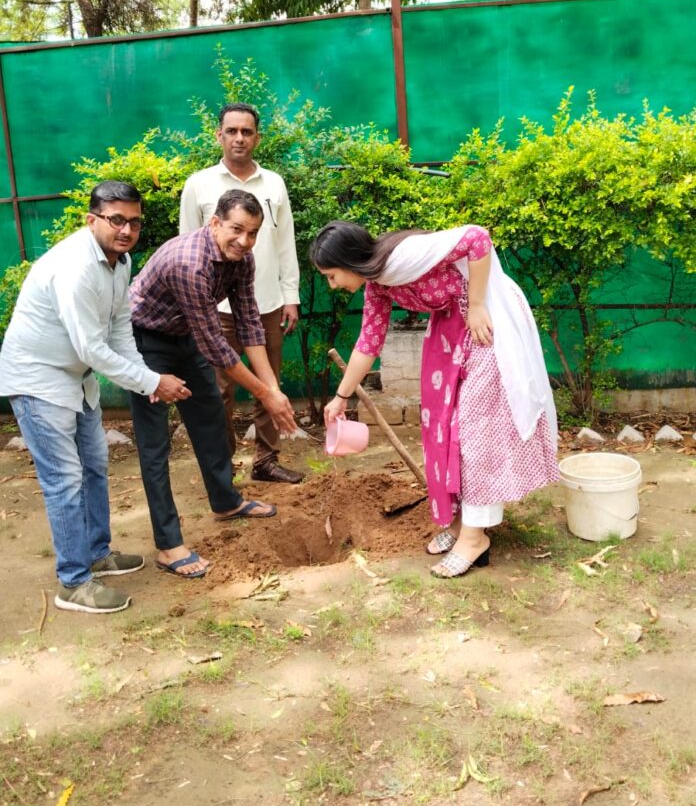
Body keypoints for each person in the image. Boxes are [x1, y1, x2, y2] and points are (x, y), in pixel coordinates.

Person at [310, 221, 559, 579]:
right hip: (450, 332)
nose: (332, 285)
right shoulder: (378, 286)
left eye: (331, 276)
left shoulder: (403, 256)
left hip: (486, 323)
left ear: (349, 261)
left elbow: (478, 238)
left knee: (476, 431)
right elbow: (368, 343)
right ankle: (461, 524)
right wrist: (341, 397)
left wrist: (475, 305)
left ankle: (475, 538)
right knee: (443, 427)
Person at [0, 182, 190, 614]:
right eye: (116, 219)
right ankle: (73, 582)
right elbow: (90, 347)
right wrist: (152, 382)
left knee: (95, 465)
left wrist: (146, 375)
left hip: (76, 378)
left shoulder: (119, 262)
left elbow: (120, 327)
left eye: (134, 221)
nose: (126, 229)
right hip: (38, 378)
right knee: (65, 481)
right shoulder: (75, 267)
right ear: (92, 220)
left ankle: (97, 553)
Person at [129, 188, 297, 578]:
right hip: (144, 342)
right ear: (215, 222)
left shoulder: (242, 258)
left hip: (186, 336)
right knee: (155, 445)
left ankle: (226, 501)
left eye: (253, 232)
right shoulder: (190, 263)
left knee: (209, 421)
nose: (245, 240)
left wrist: (274, 390)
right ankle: (169, 545)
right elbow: (218, 349)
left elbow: (249, 322)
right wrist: (264, 394)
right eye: (237, 229)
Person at [179, 102, 303, 484]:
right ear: (218, 135)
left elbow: (285, 243)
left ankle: (266, 461)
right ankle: (223, 467)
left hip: (265, 302)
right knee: (218, 391)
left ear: (257, 138)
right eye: (231, 131)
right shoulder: (198, 185)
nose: (239, 138)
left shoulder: (274, 184)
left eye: (246, 132)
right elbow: (185, 245)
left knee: (270, 384)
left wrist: (291, 294)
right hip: (213, 309)